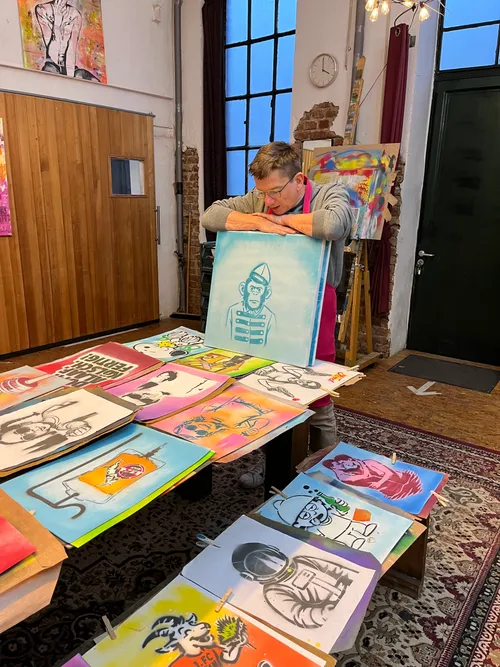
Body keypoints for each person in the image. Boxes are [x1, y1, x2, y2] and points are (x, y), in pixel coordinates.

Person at [201, 141, 353, 488]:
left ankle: (325, 470)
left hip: (315, 307)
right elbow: (211, 216)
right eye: (262, 193)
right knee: (270, 391)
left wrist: (280, 221)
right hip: (272, 308)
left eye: (275, 193)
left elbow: (333, 225)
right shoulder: (259, 201)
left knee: (317, 392)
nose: (267, 202)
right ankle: (274, 464)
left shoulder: (330, 194)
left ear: (299, 179)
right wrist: (257, 221)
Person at [34, 0, 100, 81]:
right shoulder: (42, 9)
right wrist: (57, 23)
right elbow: (52, 53)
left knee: (92, 80)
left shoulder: (75, 15)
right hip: (52, 64)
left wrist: (70, 77)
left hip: (69, 66)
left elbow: (71, 50)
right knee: (50, 75)